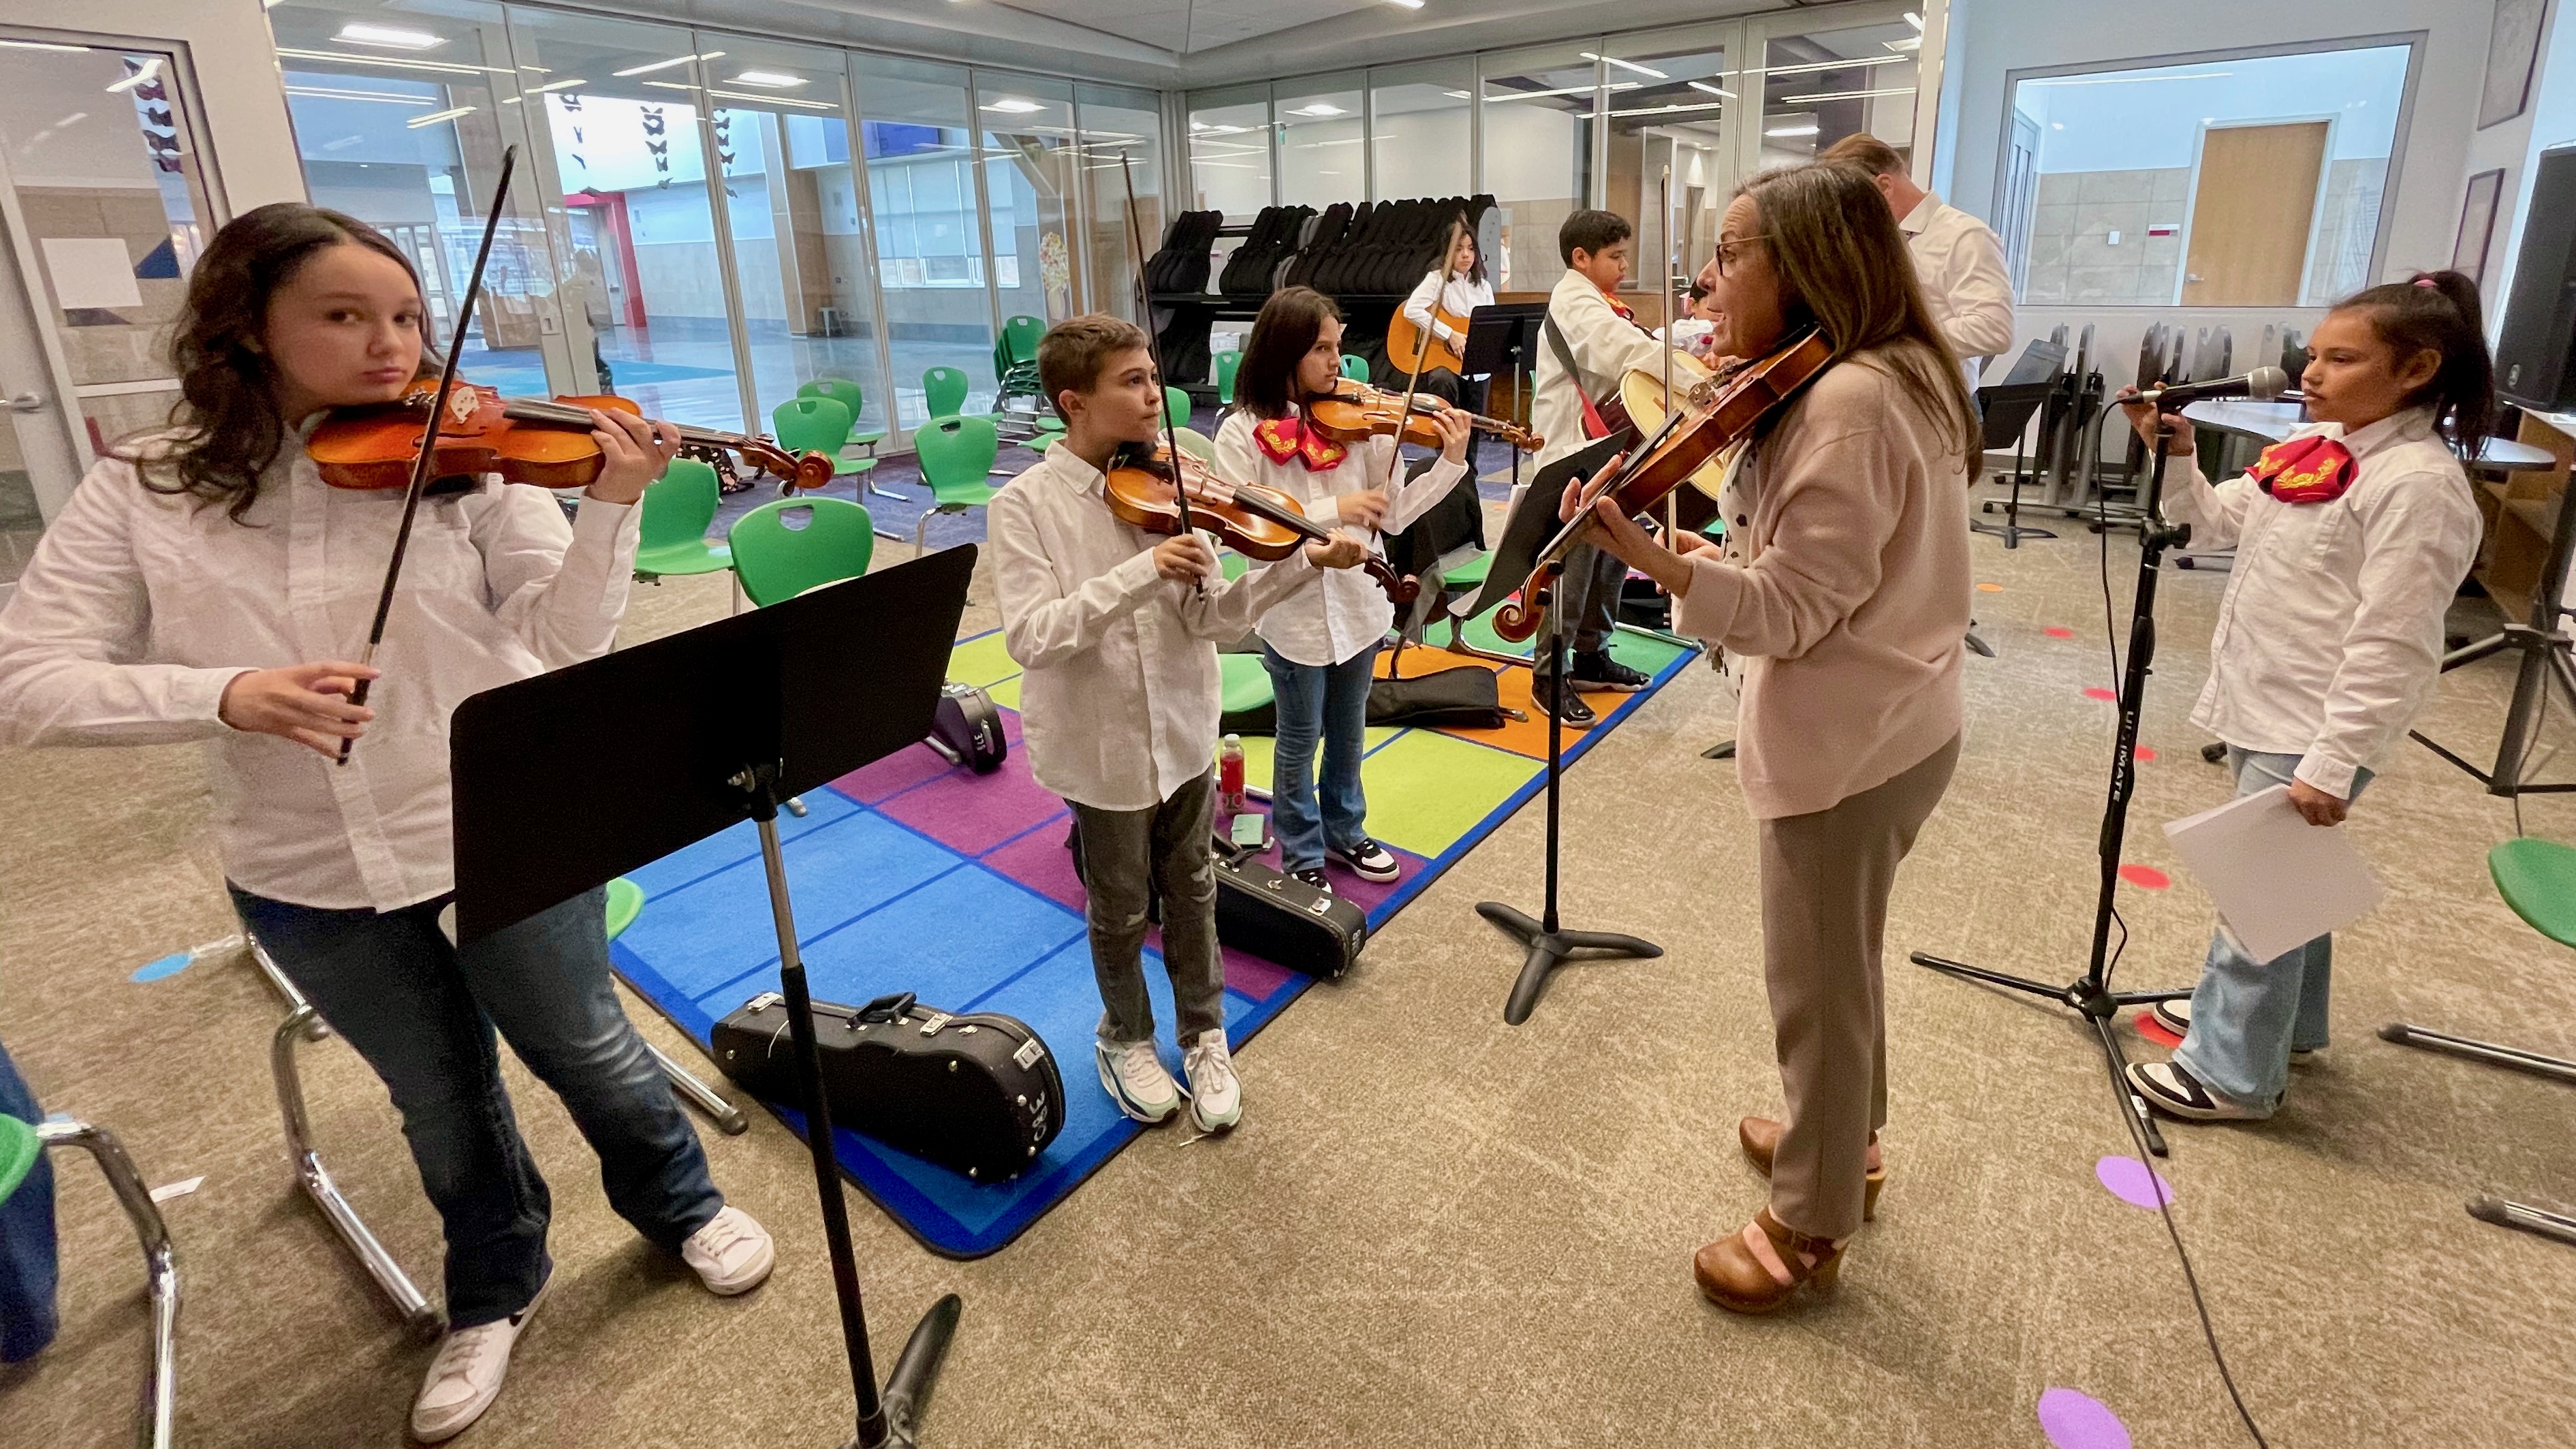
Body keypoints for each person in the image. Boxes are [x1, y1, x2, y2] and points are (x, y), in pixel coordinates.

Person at [0, 203, 773, 1442]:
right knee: (441, 1099)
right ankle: (494, 1286)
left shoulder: (469, 462)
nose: (392, 346)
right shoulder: (147, 486)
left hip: (499, 826)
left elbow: (565, 640)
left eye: (406, 316)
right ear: (246, 328)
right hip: (302, 865)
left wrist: (614, 507)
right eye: (345, 316)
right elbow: (26, 680)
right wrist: (227, 694)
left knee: (584, 1047)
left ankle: (679, 1203)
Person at [1565, 161, 1977, 1312]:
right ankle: (1842, 1142)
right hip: (1900, 712)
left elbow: (1792, 611)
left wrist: (1646, 554)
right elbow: (1802, 571)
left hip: (1851, 738)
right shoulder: (1888, 371)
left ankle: (1808, 1221)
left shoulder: (1846, 400)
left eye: (1734, 251)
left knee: (1816, 988)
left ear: (1807, 266)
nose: (1708, 275)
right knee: (1841, 972)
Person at [2115, 272, 2489, 1123]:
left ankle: (2232, 1071)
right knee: (2289, 883)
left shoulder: (2414, 485)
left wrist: (2332, 760)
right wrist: (2174, 455)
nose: (2310, 374)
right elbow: (2210, 526)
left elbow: (2394, 643)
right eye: (2311, 356)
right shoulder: (2321, 450)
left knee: (2257, 889)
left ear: (2416, 368)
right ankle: (2287, 1025)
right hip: (2264, 695)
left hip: (2314, 719)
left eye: (2341, 359)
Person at [990, 315, 1366, 1134]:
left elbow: (1212, 619)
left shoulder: (1176, 484)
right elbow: (1032, 638)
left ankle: (1205, 1035)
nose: (1157, 395)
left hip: (1186, 731)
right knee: (1120, 906)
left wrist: (1301, 562)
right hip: (1102, 748)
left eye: (1154, 377)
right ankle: (1124, 1034)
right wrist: (1140, 569)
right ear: (1072, 402)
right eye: (1133, 382)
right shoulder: (1024, 507)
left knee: (1193, 893)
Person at [1216, 287, 1474, 894]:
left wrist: (1451, 463)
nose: (1338, 362)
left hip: (1360, 606)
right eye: (1321, 349)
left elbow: (1395, 516)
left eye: (1338, 345)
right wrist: (1336, 505)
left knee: (1349, 733)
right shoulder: (1242, 432)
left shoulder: (1361, 426)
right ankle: (1301, 848)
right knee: (1298, 738)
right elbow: (1247, 528)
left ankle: (1345, 829)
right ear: (1282, 352)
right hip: (1293, 612)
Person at [1527, 208, 1670, 723]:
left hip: (1606, 448)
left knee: (1613, 549)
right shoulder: (1573, 300)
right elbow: (1620, 351)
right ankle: (1549, 672)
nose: (1625, 266)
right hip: (1572, 450)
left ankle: (1591, 652)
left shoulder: (1598, 300)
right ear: (1580, 258)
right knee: (1574, 560)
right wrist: (1681, 367)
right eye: (1615, 256)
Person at [1818, 134, 2013, 384]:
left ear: (1884, 187)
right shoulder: (1880, 239)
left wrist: (1895, 340)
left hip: (1939, 409)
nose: (1846, 216)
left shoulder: (1964, 235)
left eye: (1849, 204)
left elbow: (1994, 329)